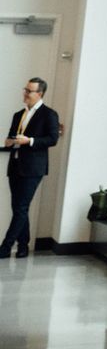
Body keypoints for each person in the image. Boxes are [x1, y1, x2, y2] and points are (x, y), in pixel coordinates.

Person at [2, 78, 58, 260]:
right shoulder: (19, 114)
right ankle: (23, 247)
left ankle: (5, 247)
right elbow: (12, 137)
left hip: (33, 167)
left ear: (39, 94)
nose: (25, 93)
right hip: (16, 165)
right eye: (25, 89)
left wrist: (30, 141)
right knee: (19, 208)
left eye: (29, 91)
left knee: (21, 207)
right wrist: (9, 142)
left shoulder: (49, 114)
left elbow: (52, 139)